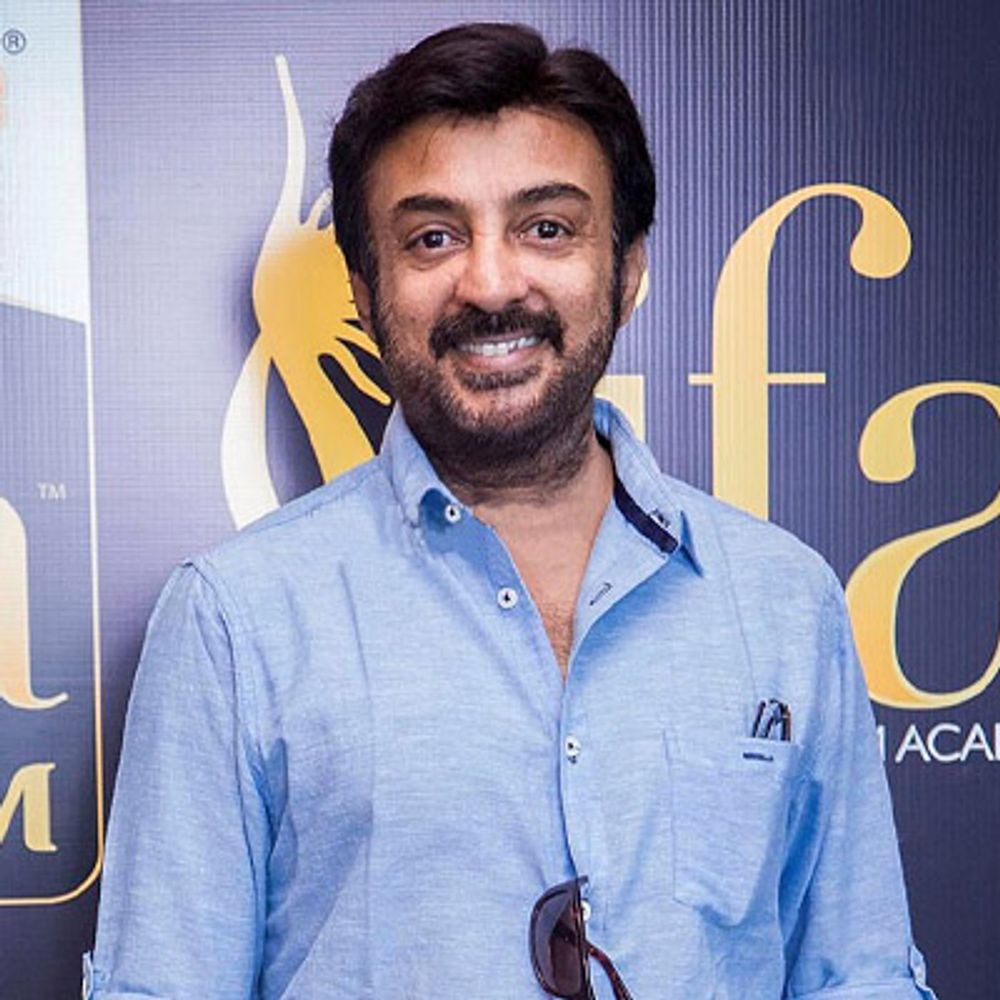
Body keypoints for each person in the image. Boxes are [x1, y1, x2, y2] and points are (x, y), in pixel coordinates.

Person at [85, 22, 935, 1000]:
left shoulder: (785, 601)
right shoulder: (234, 621)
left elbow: (858, 977)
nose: (491, 285)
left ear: (628, 270)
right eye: (433, 238)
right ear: (364, 292)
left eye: (547, 228)